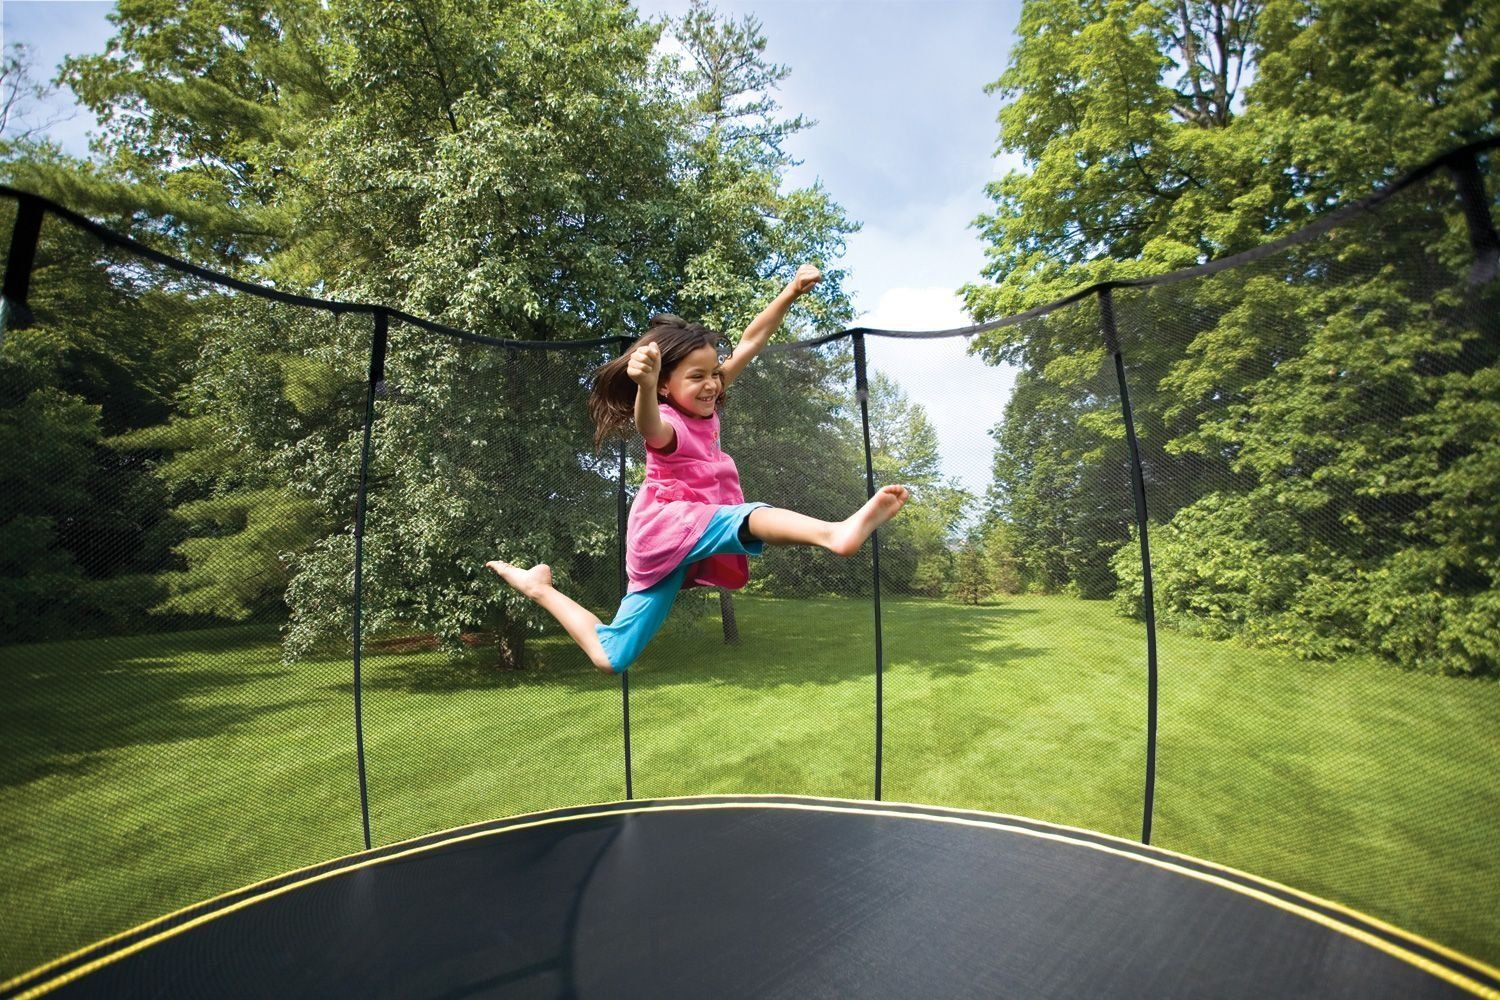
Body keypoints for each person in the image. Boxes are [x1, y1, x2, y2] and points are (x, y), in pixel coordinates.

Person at [486, 264, 908, 673]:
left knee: (609, 656)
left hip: (683, 536)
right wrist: (646, 388)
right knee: (743, 519)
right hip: (668, 525)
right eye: (697, 377)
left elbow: (751, 340)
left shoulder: (707, 394)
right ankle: (833, 533)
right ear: (667, 386)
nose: (712, 384)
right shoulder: (669, 425)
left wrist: (790, 293)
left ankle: (538, 586)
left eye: (714, 373)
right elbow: (647, 424)